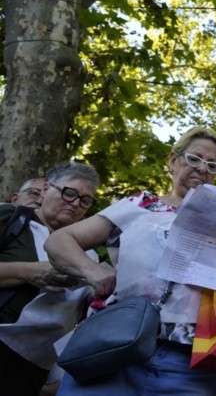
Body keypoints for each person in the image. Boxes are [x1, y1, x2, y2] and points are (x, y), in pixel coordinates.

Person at [45, 126, 216, 396]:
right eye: (194, 159)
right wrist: (93, 271)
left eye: (212, 165)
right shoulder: (140, 205)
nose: (202, 169)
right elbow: (59, 241)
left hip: (191, 365)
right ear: (172, 160)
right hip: (113, 350)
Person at [0, 163, 99, 396]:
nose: (75, 203)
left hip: (32, 369)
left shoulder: (89, 254)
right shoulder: (11, 219)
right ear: (45, 190)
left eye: (85, 200)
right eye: (69, 193)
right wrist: (28, 271)